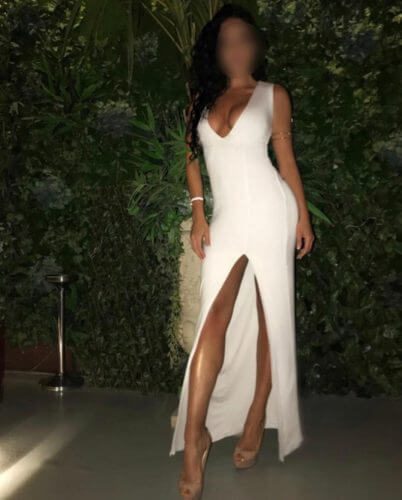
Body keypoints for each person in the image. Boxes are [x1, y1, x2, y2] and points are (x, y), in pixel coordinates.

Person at [170, 4, 315, 499]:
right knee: (214, 318)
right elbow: (191, 158)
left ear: (255, 46)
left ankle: (256, 415)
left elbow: (285, 159)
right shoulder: (201, 99)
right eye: (226, 41)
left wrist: (303, 216)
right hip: (228, 219)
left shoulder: (274, 95)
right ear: (216, 50)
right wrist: (198, 212)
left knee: (271, 315)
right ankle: (195, 436)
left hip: (272, 211)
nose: (236, 49)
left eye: (243, 40)